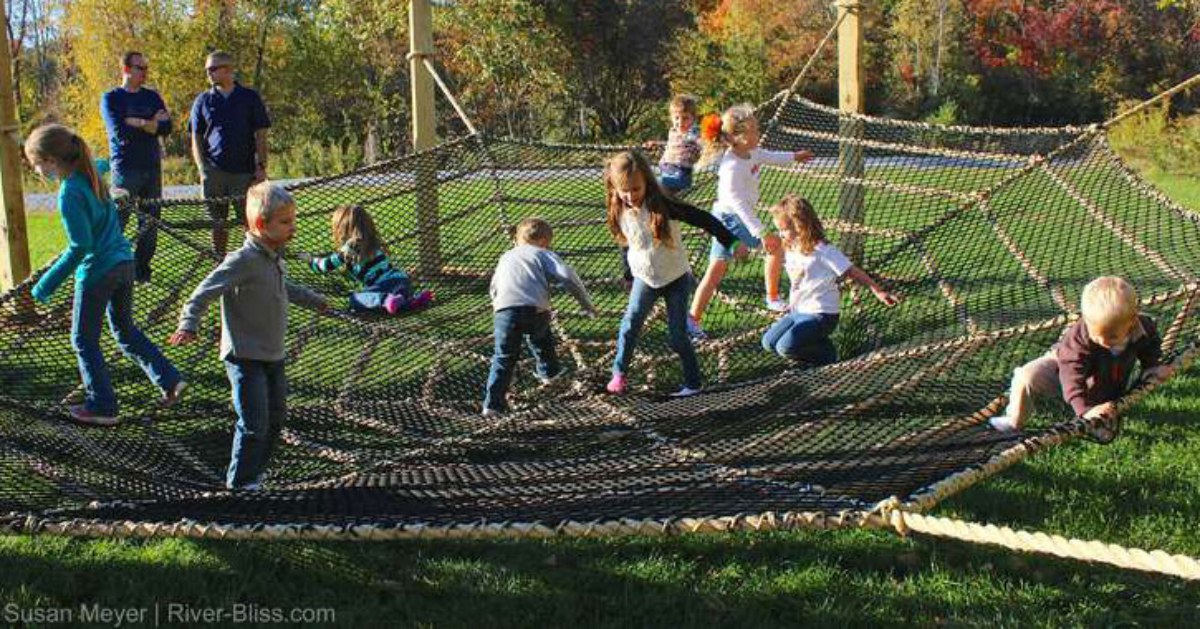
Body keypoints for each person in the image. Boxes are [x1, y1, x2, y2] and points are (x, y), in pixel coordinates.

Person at [170, 182, 327, 490]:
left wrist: (313, 299)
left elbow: (283, 287)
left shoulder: (273, 255)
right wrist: (189, 323)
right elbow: (202, 293)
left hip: (273, 354)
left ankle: (255, 474)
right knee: (254, 423)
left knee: (277, 418)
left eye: (293, 221)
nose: (292, 228)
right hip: (245, 356)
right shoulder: (242, 261)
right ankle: (239, 484)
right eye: (285, 222)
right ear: (260, 224)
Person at [24, 124, 185, 426]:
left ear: (50, 161)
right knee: (125, 330)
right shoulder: (91, 173)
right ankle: (169, 378)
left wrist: (45, 285)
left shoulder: (70, 192)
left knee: (83, 340)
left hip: (99, 270)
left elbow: (80, 245)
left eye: (35, 164)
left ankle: (103, 405)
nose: (36, 171)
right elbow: (101, 162)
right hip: (125, 263)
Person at [605, 150, 744, 397]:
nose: (630, 196)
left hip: (676, 278)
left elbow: (704, 219)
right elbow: (625, 244)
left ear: (647, 182)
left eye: (636, 189)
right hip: (645, 278)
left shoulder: (663, 205)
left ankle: (693, 383)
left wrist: (731, 242)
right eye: (623, 190)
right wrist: (628, 275)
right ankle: (619, 373)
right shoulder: (620, 210)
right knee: (630, 325)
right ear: (615, 188)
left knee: (677, 336)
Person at [688, 104, 814, 340]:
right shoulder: (732, 166)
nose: (758, 134)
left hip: (730, 217)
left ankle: (692, 319)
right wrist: (761, 233)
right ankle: (773, 298)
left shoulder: (751, 152)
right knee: (775, 246)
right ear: (737, 137)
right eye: (754, 131)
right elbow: (738, 203)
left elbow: (770, 156)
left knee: (715, 272)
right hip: (729, 219)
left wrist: (794, 157)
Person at [989, 276, 1173, 434]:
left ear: (1132, 321)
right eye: (1096, 335)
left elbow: (1150, 345)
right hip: (1062, 363)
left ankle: (1094, 409)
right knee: (1026, 377)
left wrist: (1152, 366)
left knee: (1104, 417)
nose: (1103, 341)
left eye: (1112, 336)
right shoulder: (1079, 339)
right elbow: (1071, 374)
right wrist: (1084, 411)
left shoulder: (1143, 327)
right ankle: (1014, 420)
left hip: (1105, 376)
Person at [761, 195, 899, 364]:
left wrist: (879, 291)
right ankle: (816, 346)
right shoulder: (790, 247)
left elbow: (852, 271)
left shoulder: (823, 250)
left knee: (785, 347)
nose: (781, 234)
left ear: (800, 225)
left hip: (822, 314)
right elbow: (771, 256)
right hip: (798, 310)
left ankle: (827, 357)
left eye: (784, 229)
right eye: (779, 230)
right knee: (768, 342)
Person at [483, 218, 595, 416]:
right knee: (542, 340)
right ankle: (550, 375)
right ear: (545, 241)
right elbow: (567, 276)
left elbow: (494, 286)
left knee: (503, 357)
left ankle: (492, 405)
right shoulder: (543, 253)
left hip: (504, 311)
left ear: (518, 240)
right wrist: (586, 305)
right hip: (534, 309)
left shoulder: (506, 256)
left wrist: (498, 307)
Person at [190, 50, 272, 257]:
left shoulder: (249, 98)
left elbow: (261, 134)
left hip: (244, 172)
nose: (208, 73)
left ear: (228, 70)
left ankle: (254, 261)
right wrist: (202, 168)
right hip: (214, 173)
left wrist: (261, 166)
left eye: (213, 69)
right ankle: (220, 262)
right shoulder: (202, 101)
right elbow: (196, 137)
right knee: (217, 224)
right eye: (207, 70)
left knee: (251, 220)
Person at [100, 51, 172, 283]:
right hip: (125, 169)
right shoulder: (111, 98)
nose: (145, 72)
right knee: (119, 221)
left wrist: (138, 122)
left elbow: (167, 127)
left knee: (150, 225)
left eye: (146, 68)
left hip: (152, 167)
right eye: (140, 68)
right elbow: (121, 133)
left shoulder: (152, 96)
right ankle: (109, 268)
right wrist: (151, 123)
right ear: (126, 70)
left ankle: (141, 271)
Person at [298, 204, 433, 315]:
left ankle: (386, 300)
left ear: (342, 230)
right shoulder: (374, 241)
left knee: (355, 299)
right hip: (403, 280)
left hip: (385, 287)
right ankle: (412, 301)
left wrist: (310, 259)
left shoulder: (349, 249)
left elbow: (324, 266)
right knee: (397, 304)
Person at [645, 94, 703, 194]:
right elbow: (672, 144)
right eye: (676, 118)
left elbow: (701, 143)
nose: (680, 122)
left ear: (693, 118)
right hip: (665, 169)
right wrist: (657, 143)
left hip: (681, 173)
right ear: (671, 118)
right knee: (644, 177)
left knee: (658, 188)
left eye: (685, 118)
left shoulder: (693, 133)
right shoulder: (673, 131)